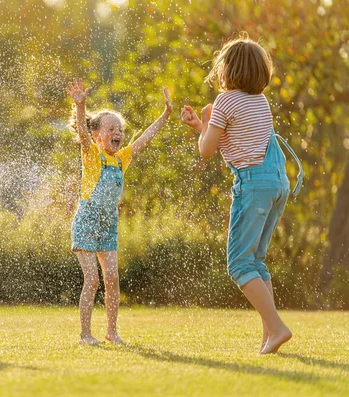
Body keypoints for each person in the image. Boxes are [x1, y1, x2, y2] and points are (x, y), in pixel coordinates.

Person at [181, 33, 301, 354]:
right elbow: (231, 138)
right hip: (277, 183)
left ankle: (276, 327)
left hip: (253, 185)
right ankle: (269, 335)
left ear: (226, 70)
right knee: (256, 260)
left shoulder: (225, 100)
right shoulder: (258, 101)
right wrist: (202, 124)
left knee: (238, 264)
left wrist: (205, 122)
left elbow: (207, 150)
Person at [66, 78, 172, 345]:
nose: (118, 133)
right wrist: (81, 105)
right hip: (87, 222)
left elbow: (145, 138)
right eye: (111, 128)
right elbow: (81, 131)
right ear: (98, 135)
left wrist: (165, 114)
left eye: (120, 129)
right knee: (92, 281)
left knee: (111, 278)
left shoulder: (122, 158)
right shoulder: (91, 154)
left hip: (108, 224)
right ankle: (85, 334)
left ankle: (111, 332)